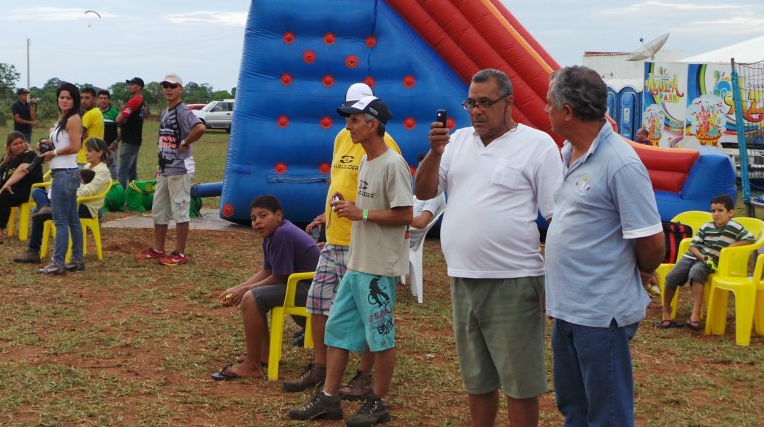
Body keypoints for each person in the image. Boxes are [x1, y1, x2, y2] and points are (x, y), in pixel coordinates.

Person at [413, 68, 560, 427]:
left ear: (508, 103)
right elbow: (424, 192)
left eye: (485, 103)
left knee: (519, 383)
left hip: (514, 280)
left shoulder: (537, 145)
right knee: (477, 378)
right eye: (471, 103)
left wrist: (554, 283)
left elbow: (559, 218)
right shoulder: (458, 142)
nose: (476, 111)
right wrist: (434, 153)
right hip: (463, 279)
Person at [544, 65, 666, 427]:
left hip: (601, 313)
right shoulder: (570, 152)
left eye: (549, 103)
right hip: (568, 308)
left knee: (607, 415)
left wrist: (642, 272)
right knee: (574, 407)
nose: (545, 110)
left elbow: (652, 242)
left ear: (567, 111)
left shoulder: (620, 164)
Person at [289, 96, 413, 426]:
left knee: (381, 336)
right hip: (358, 263)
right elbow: (366, 210)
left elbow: (406, 215)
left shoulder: (392, 164)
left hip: (378, 268)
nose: (348, 125)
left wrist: (362, 213)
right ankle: (329, 399)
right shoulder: (367, 163)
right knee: (337, 330)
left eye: (355, 120)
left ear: (373, 124)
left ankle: (379, 402)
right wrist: (348, 208)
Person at [211, 195, 321, 380]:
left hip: (312, 291)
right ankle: (262, 355)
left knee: (252, 299)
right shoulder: (272, 235)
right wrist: (237, 287)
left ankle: (252, 365)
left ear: (278, 215)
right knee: (251, 295)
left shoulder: (282, 234)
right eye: (254, 218)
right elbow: (268, 270)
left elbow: (280, 277)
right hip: (300, 285)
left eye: (263, 215)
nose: (258, 222)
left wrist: (244, 291)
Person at [135, 74, 206, 266]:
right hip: (165, 170)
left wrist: (185, 142)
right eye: (165, 85)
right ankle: (158, 249)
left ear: (180, 89)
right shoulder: (166, 112)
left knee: (180, 211)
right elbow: (162, 140)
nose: (168, 89)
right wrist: (159, 166)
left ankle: (180, 253)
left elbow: (199, 128)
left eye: (173, 86)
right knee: (159, 210)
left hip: (179, 170)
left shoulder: (183, 112)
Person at [658, 194, 754, 331]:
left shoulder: (734, 227)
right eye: (713, 211)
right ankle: (666, 311)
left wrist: (733, 245)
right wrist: (702, 256)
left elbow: (751, 239)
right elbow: (692, 245)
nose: (716, 214)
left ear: (731, 212)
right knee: (673, 276)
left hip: (711, 261)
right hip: (694, 256)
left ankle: (695, 314)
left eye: (720, 210)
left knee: (697, 273)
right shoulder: (706, 226)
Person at [12, 137, 112, 269]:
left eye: (90, 151)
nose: (86, 153)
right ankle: (46, 208)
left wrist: (64, 193)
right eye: (86, 150)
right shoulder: (87, 166)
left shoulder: (103, 171)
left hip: (84, 206)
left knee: (38, 212)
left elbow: (88, 191)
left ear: (100, 153)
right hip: (71, 199)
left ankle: (34, 250)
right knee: (37, 192)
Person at [36, 82, 84, 276]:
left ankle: (58, 262)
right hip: (68, 172)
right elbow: (66, 143)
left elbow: (75, 146)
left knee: (61, 221)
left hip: (64, 173)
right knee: (72, 219)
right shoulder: (64, 118)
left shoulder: (73, 119)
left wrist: (53, 153)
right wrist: (49, 144)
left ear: (74, 100)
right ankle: (77, 259)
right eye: (62, 97)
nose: (64, 100)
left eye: (68, 98)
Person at [116, 77, 146, 191]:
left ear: (138, 87)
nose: (130, 86)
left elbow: (119, 119)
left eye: (132, 84)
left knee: (122, 171)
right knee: (132, 172)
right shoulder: (142, 101)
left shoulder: (134, 100)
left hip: (129, 139)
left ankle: (120, 197)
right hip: (136, 139)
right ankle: (135, 194)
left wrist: (123, 121)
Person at [76, 87, 104, 167]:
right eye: (82, 98)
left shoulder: (90, 114)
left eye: (87, 98)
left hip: (85, 158)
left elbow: (76, 133)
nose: (83, 101)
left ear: (95, 99)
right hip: (94, 157)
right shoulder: (97, 111)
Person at [98, 89, 120, 179]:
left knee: (112, 168)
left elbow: (124, 130)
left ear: (109, 100)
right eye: (100, 98)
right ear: (97, 100)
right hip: (97, 147)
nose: (103, 100)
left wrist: (115, 142)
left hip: (110, 147)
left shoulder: (114, 113)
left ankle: (114, 187)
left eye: (105, 98)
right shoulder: (94, 112)